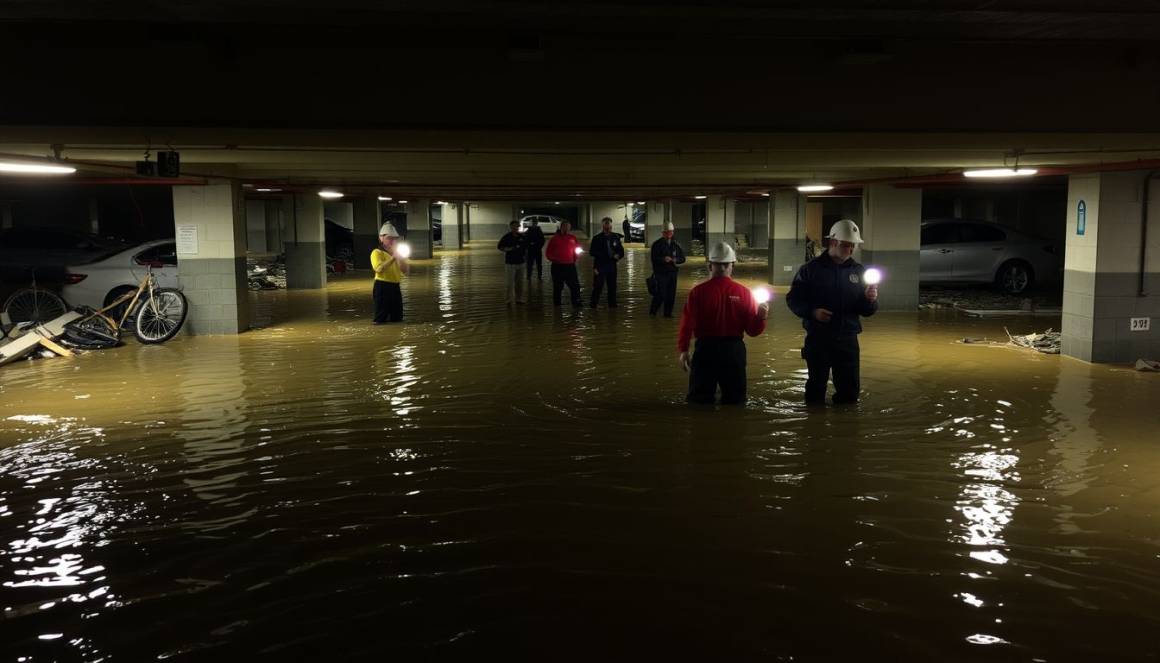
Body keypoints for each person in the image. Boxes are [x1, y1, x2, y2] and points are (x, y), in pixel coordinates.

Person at [785, 218, 879, 405]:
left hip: (847, 339)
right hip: (819, 338)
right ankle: (814, 430)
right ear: (833, 243)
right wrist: (813, 312)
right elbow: (793, 299)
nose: (851, 250)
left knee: (850, 394)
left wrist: (870, 300)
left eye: (853, 246)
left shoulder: (858, 271)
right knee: (815, 392)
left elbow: (867, 311)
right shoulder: (810, 270)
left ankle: (844, 431)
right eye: (847, 245)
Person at [676, 242, 769, 405]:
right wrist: (761, 317)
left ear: (710, 265)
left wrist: (684, 350)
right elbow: (753, 331)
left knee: (699, 402)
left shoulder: (698, 292)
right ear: (732, 265)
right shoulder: (744, 293)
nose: (724, 268)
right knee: (735, 401)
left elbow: (687, 324)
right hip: (733, 352)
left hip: (705, 351)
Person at [370, 222, 409, 324]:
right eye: (389, 238)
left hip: (395, 287)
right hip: (382, 286)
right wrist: (393, 258)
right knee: (380, 319)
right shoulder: (376, 252)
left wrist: (400, 258)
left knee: (397, 318)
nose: (392, 241)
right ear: (381, 238)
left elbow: (405, 271)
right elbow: (378, 269)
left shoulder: (398, 253)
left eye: (394, 238)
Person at [649, 220, 686, 317]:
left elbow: (682, 258)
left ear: (673, 232)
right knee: (661, 293)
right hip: (661, 273)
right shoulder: (656, 245)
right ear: (663, 233)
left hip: (672, 273)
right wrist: (663, 259)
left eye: (670, 232)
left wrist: (675, 260)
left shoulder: (676, 245)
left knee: (671, 295)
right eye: (666, 232)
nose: (669, 234)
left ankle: (668, 313)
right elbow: (654, 258)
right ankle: (653, 311)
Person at [545, 220, 583, 307]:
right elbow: (548, 252)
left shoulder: (572, 238)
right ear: (561, 227)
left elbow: (577, 249)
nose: (566, 228)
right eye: (565, 226)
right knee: (558, 286)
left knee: (574, 285)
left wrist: (575, 258)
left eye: (568, 227)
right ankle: (557, 303)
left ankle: (576, 302)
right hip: (557, 266)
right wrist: (554, 259)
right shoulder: (554, 239)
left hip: (570, 265)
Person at [589, 217, 625, 308]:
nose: (607, 226)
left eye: (609, 224)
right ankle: (593, 305)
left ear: (611, 225)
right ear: (602, 225)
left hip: (612, 266)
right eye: (605, 224)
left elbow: (621, 251)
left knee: (612, 286)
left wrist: (618, 256)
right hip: (600, 266)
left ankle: (612, 305)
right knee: (598, 286)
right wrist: (606, 255)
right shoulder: (597, 238)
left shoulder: (615, 237)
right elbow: (592, 252)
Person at [497, 220, 528, 305]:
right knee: (509, 283)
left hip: (521, 263)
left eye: (517, 226)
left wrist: (526, 258)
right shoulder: (507, 237)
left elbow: (525, 248)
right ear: (511, 227)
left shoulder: (522, 236)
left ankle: (519, 298)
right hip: (510, 263)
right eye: (514, 226)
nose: (516, 228)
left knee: (520, 282)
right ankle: (508, 299)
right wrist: (508, 249)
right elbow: (500, 247)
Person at [525, 217, 545, 282]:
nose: (534, 223)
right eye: (534, 222)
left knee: (536, 264)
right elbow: (542, 240)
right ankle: (530, 276)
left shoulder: (534, 230)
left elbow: (542, 240)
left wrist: (535, 245)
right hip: (533, 250)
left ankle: (537, 276)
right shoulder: (531, 230)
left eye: (535, 222)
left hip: (536, 250)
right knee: (531, 264)